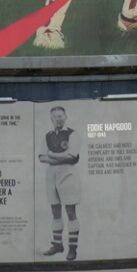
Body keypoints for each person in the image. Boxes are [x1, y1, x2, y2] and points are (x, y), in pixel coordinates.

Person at [39, 105, 81, 261]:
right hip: (51, 175)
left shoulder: (72, 134)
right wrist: (60, 156)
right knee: (55, 211)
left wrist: (51, 154)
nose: (58, 119)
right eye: (55, 116)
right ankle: (58, 245)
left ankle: (72, 248)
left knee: (70, 212)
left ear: (65, 117)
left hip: (68, 173)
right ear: (51, 119)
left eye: (60, 116)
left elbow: (72, 156)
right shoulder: (47, 135)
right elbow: (41, 157)